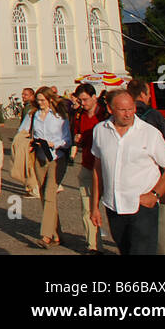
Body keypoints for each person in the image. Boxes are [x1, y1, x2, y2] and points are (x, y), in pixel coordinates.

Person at [91, 88, 165, 255]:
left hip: (142, 207)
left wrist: (154, 195)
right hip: (114, 206)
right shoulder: (100, 131)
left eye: (131, 109)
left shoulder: (149, 133)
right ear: (110, 109)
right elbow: (98, 169)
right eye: (122, 110)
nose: (128, 114)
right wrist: (94, 206)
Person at [128, 78, 165, 254]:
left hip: (129, 179)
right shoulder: (154, 115)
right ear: (143, 94)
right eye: (148, 94)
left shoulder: (119, 117)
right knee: (162, 220)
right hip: (155, 178)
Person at [30, 86, 71, 247]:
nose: (40, 103)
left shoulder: (60, 117)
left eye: (42, 100)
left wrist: (54, 144)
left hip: (56, 158)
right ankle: (57, 233)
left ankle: (46, 235)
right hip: (40, 157)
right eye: (38, 100)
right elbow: (28, 132)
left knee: (49, 193)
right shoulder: (35, 116)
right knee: (44, 195)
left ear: (50, 100)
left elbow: (67, 140)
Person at [72, 82, 107, 252]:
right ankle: (94, 246)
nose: (82, 103)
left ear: (94, 97)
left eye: (85, 100)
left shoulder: (106, 115)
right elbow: (78, 137)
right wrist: (78, 140)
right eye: (80, 100)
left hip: (107, 169)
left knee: (114, 209)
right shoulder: (79, 116)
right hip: (88, 165)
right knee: (87, 208)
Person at [9, 87, 40, 197]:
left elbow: (26, 126)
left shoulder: (30, 109)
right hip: (29, 138)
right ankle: (31, 187)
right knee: (30, 165)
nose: (23, 96)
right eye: (23, 94)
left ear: (32, 96)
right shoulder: (28, 108)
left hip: (29, 139)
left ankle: (34, 188)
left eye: (26, 95)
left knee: (30, 165)